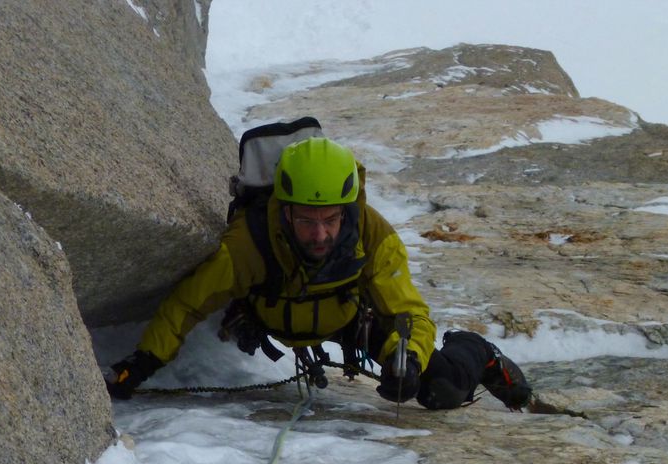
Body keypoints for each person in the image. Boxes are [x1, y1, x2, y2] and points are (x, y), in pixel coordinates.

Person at [105, 136, 531, 411]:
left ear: (348, 210)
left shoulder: (372, 235)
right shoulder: (250, 243)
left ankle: (478, 352)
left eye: (331, 220)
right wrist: (142, 364)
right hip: (272, 318)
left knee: (444, 390)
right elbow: (187, 305)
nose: (320, 233)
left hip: (350, 321)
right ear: (283, 209)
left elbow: (408, 313)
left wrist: (411, 361)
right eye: (306, 221)